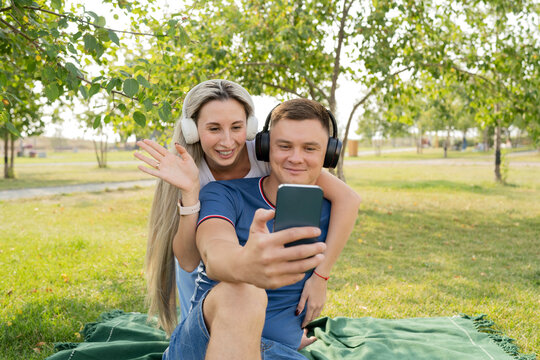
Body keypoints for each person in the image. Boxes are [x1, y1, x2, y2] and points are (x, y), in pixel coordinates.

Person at [135, 80, 360, 338]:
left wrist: (321, 277)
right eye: (214, 128)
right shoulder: (188, 170)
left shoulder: (273, 154)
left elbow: (348, 200)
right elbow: (188, 261)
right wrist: (189, 192)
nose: (227, 141)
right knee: (212, 305)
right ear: (193, 130)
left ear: (251, 128)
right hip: (206, 257)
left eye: (236, 127)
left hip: (252, 271)